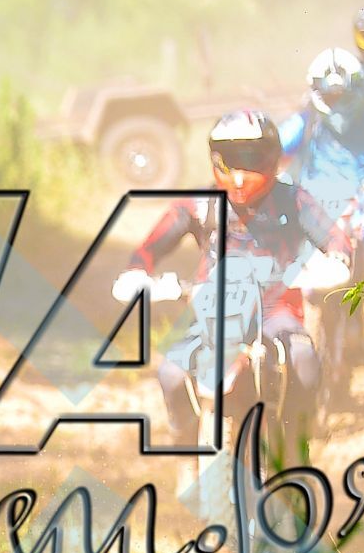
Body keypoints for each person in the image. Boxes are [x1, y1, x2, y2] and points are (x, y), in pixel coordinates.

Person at [114, 111, 345, 453]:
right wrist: (136, 272)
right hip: (210, 310)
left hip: (275, 308)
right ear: (214, 158)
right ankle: (186, 452)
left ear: (271, 157)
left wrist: (336, 262)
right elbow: (150, 246)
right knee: (172, 372)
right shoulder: (199, 204)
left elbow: (334, 239)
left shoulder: (292, 200)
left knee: (303, 358)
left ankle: (296, 447)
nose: (239, 174)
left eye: (250, 159)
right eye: (230, 159)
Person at [279, 48, 364, 275]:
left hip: (362, 209)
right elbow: (271, 148)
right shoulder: (306, 123)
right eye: (331, 98)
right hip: (312, 210)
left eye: (344, 97)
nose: (338, 105)